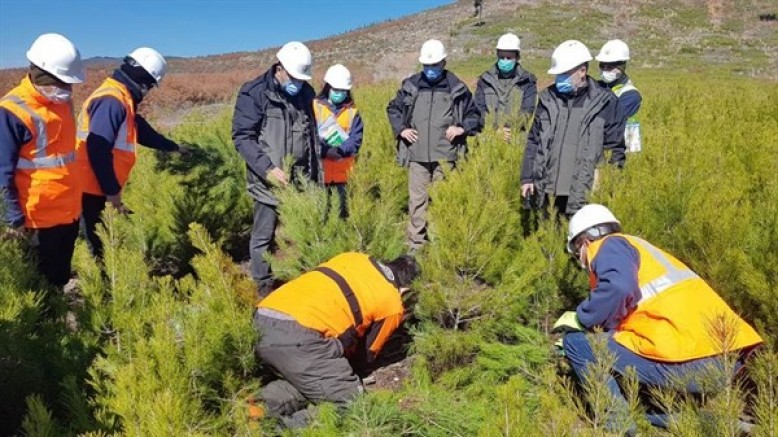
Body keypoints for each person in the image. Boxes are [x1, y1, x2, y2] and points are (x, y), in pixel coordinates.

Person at [554, 204, 763, 430]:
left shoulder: (606, 246)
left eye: (578, 256)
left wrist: (582, 320)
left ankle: (619, 429)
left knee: (576, 345)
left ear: (584, 243)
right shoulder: (641, 250)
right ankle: (719, 424)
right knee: (641, 406)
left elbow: (619, 288)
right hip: (725, 360)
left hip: (688, 361)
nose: (582, 262)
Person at [252, 252, 420, 428]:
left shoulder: (356, 257)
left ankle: (248, 411)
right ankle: (277, 430)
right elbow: (366, 355)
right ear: (406, 289)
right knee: (351, 405)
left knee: (311, 379)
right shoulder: (392, 303)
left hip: (262, 317)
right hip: (301, 336)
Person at [77, 47, 189, 261]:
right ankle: (103, 287)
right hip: (91, 186)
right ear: (144, 78)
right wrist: (111, 191)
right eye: (150, 85)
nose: (148, 91)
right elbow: (98, 148)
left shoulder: (122, 97)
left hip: (97, 184)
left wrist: (173, 147)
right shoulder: (112, 100)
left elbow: (141, 131)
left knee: (102, 239)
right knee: (99, 243)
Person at [232, 41, 319, 297]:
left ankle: (302, 280)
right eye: (293, 78)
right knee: (264, 237)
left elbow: (311, 135)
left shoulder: (306, 92)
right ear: (279, 68)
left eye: (301, 79)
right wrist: (267, 168)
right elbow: (242, 137)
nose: (298, 83)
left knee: (304, 232)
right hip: (268, 180)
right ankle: (264, 288)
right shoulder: (255, 92)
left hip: (301, 180)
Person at [0, 33, 85, 287]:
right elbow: (1, 173)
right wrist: (13, 222)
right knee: (37, 288)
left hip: (68, 215)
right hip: (35, 224)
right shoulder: (12, 111)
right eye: (62, 83)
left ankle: (57, 322)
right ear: (41, 75)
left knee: (58, 280)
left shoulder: (62, 103)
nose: (67, 90)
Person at [386, 39, 480, 252]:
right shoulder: (411, 85)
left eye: (434, 65)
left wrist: (462, 128)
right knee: (417, 201)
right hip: (417, 155)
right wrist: (401, 129)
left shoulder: (456, 87)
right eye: (426, 66)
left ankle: (439, 244)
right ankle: (416, 245)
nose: (430, 69)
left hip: (446, 156)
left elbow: (474, 115)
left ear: (444, 62)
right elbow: (393, 109)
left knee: (442, 200)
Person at [520, 40, 624, 217]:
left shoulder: (606, 102)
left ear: (582, 71)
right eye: (558, 74)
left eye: (564, 74)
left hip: (584, 193)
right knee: (546, 238)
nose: (559, 79)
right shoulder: (547, 99)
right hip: (548, 191)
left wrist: (608, 183)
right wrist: (527, 178)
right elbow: (534, 140)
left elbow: (615, 148)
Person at [313, 64, 363, 219]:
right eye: (336, 89)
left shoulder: (352, 112)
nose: (339, 93)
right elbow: (308, 136)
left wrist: (340, 150)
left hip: (344, 175)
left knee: (341, 216)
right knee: (320, 216)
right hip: (320, 174)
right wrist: (325, 151)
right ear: (328, 87)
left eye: (343, 90)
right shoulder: (314, 107)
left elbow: (356, 140)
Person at [474, 33, 537, 143]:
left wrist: (508, 130)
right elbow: (479, 109)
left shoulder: (527, 81)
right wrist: (495, 130)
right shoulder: (485, 80)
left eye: (509, 58)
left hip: (515, 141)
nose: (505, 61)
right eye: (502, 57)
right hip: (489, 140)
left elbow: (527, 110)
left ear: (517, 57)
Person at [596, 39, 642, 153]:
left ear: (622, 66)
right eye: (602, 65)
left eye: (610, 67)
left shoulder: (631, 95)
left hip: (618, 151)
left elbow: (609, 120)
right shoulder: (598, 86)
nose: (605, 70)